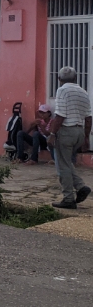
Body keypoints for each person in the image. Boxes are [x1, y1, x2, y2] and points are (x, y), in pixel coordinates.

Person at [48, 66, 92, 209]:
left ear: (59, 79)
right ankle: (80, 186)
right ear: (75, 78)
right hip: (79, 131)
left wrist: (53, 133)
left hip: (66, 131)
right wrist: (86, 137)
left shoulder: (62, 90)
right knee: (67, 163)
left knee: (62, 166)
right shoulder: (83, 92)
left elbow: (60, 115)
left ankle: (68, 198)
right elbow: (89, 117)